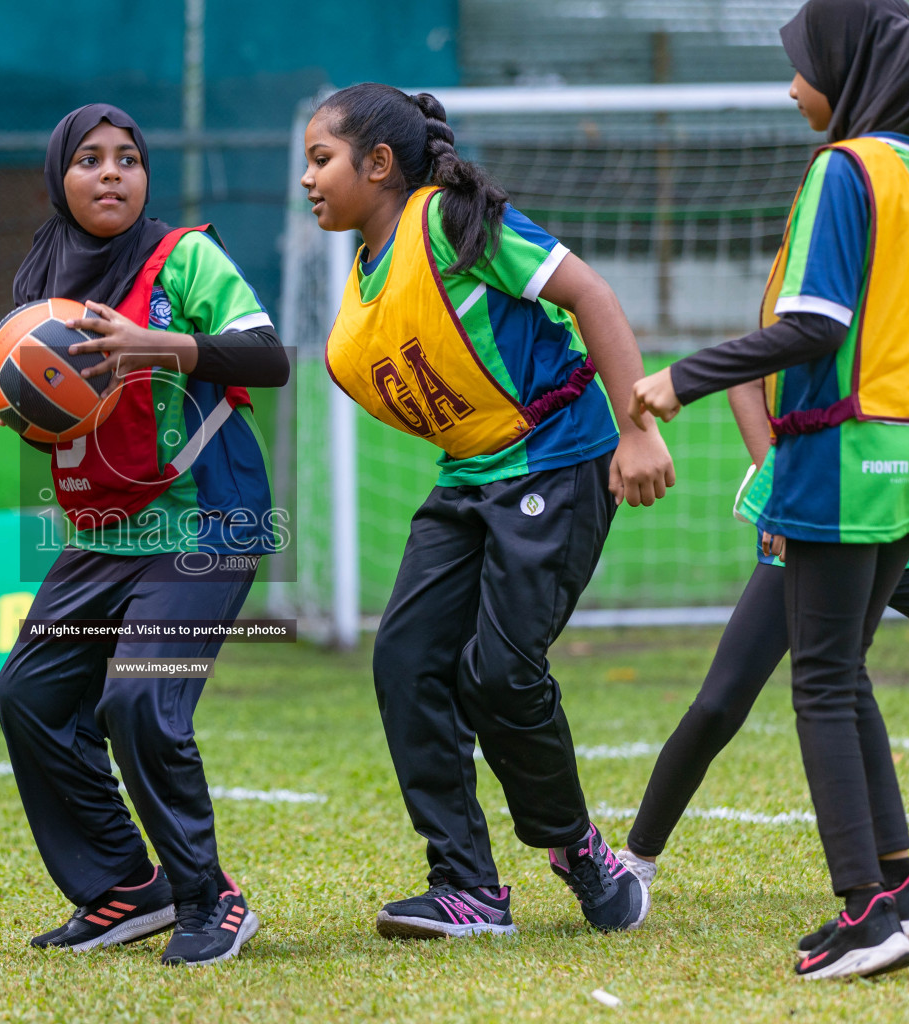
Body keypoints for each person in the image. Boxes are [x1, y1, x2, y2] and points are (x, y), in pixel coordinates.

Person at [300, 83, 675, 940]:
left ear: (380, 163)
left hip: (560, 457)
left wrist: (637, 431)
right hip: (471, 478)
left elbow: (593, 297)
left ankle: (582, 853)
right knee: (405, 659)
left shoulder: (451, 223)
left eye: (322, 160)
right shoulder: (360, 292)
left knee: (500, 673)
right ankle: (468, 886)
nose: (309, 181)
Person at [631, 0, 909, 980]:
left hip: (840, 460)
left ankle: (866, 914)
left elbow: (813, 325)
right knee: (843, 670)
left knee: (824, 683)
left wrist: (683, 376)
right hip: (906, 456)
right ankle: (895, 889)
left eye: (800, 64)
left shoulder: (848, 169)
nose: (791, 84)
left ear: (845, 69)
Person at [0, 104, 288, 967]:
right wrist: (32, 412)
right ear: (60, 178)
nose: (112, 172)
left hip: (209, 517)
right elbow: (55, 414)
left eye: (128, 158)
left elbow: (269, 357)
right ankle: (128, 888)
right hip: (110, 531)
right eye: (89, 159)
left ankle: (211, 899)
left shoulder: (183, 258)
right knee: (32, 696)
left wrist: (160, 345)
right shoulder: (42, 276)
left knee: (139, 700)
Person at [620, 378, 909, 963]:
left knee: (838, 679)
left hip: (906, 527)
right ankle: (636, 861)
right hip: (826, 520)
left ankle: (897, 889)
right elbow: (750, 378)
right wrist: (781, 490)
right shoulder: (837, 300)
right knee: (724, 699)